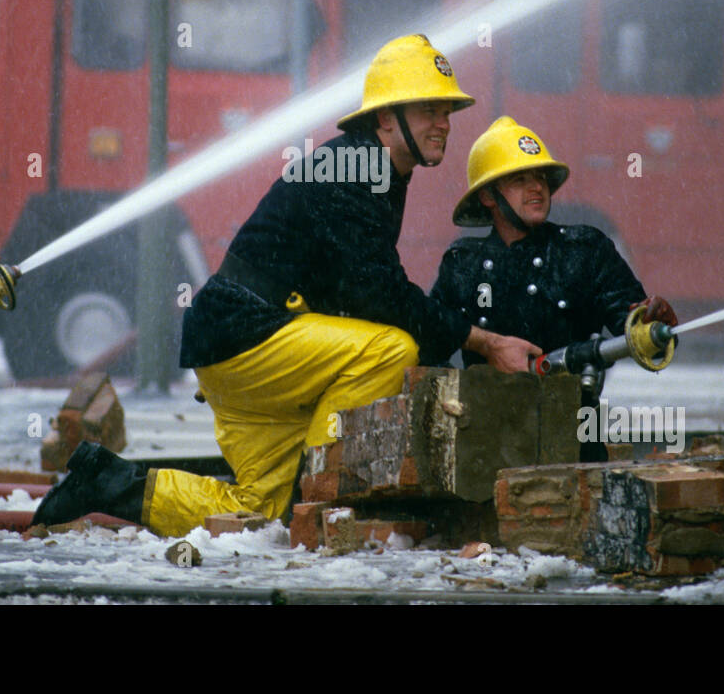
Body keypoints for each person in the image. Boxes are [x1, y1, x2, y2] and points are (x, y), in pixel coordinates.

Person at [33, 34, 541, 536]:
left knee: (258, 511)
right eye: (430, 110)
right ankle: (321, 499)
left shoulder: (372, 167)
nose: (444, 124)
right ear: (387, 117)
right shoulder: (358, 171)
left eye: (448, 111)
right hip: (249, 337)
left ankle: (105, 483)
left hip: (234, 343)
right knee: (391, 349)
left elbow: (360, 291)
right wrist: (484, 341)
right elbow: (380, 295)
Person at [426, 117, 676, 452]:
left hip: (573, 442)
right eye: (520, 179)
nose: (537, 188)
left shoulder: (584, 250)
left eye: (541, 177)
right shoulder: (463, 265)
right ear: (488, 196)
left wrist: (651, 323)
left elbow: (633, 326)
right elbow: (428, 348)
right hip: (486, 446)